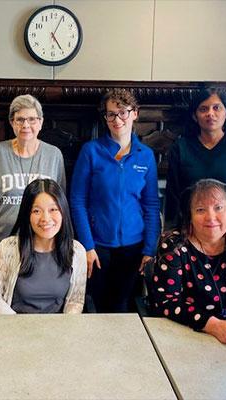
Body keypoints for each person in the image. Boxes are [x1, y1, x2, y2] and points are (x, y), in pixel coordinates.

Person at [147, 179, 226, 348]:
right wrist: (214, 326)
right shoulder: (173, 245)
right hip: (186, 337)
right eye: (200, 210)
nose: (211, 217)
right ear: (190, 216)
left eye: (218, 208)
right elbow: (166, 302)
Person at [70, 89, 161, 313]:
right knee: (95, 307)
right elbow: (77, 200)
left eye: (123, 113)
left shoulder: (146, 155)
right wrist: (87, 246)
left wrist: (150, 249)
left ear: (135, 114)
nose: (117, 120)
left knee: (123, 308)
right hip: (98, 247)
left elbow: (151, 205)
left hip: (134, 248)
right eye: (111, 114)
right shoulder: (91, 151)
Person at [0, 94, 66, 264]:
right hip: (0, 242)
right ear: (12, 122)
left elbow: (60, 204)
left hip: (41, 244)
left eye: (32, 119)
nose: (26, 125)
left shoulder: (54, 155)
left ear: (40, 122)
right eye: (20, 119)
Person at [0, 179, 86, 314]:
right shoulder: (7, 248)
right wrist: (18, 326)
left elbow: (75, 301)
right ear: (27, 214)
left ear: (63, 212)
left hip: (57, 330)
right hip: (14, 328)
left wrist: (64, 327)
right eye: (37, 211)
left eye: (53, 209)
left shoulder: (76, 251)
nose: (46, 218)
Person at [164, 88, 226, 229]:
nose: (210, 113)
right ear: (195, 116)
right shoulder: (181, 147)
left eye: (216, 108)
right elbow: (174, 197)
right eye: (203, 109)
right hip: (190, 232)